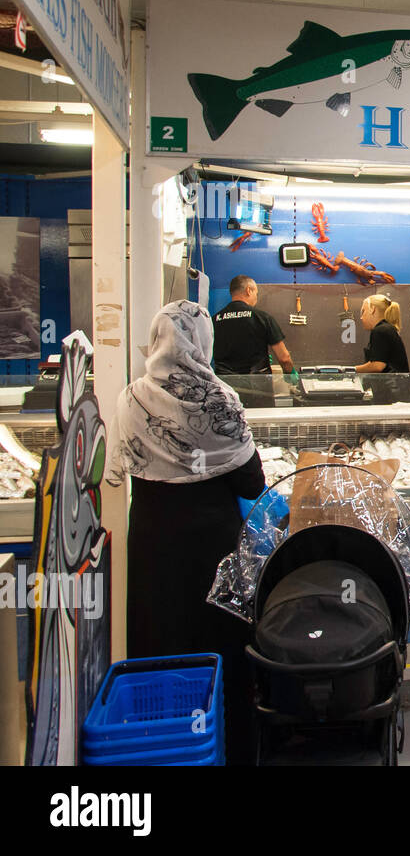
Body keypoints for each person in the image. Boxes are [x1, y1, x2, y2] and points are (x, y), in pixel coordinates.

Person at [105, 300, 266, 764]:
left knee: (160, 643)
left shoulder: (131, 398)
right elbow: (251, 482)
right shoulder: (221, 401)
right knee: (222, 651)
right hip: (214, 548)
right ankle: (229, 745)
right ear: (202, 342)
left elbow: (118, 469)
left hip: (153, 544)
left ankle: (164, 746)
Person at [212, 275, 296, 408]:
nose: (256, 297)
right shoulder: (262, 318)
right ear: (248, 290)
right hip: (258, 390)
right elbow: (284, 357)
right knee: (259, 426)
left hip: (225, 389)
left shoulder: (213, 320)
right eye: (256, 293)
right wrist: (290, 374)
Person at [355, 293, 410, 405]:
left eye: (363, 311)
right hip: (398, 395)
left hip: (394, 398)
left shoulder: (381, 331)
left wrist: (351, 371)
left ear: (372, 310)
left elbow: (378, 366)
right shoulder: (387, 329)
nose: (361, 317)